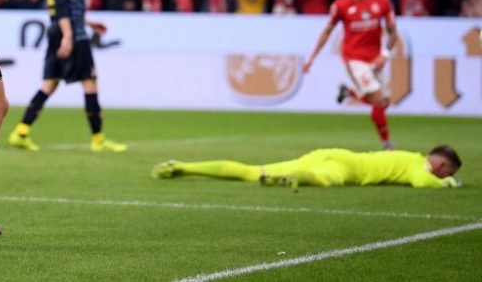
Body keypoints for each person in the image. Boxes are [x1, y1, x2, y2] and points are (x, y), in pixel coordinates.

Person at [7, 0, 127, 153]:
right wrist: (69, 36)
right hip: (70, 32)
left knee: (49, 84)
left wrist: (88, 22)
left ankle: (21, 131)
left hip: (61, 29)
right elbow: (61, 5)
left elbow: (64, 5)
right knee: (90, 82)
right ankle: (99, 140)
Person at [302, 0, 398, 149]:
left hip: (375, 58)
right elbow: (327, 31)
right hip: (354, 60)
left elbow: (393, 32)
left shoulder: (382, 1)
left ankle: (350, 93)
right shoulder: (341, 5)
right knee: (378, 99)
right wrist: (312, 58)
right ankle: (388, 145)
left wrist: (385, 54)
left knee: (383, 102)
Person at [151, 145, 463, 189]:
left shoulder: (408, 155)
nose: (445, 174)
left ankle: (185, 166)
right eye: (447, 170)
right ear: (437, 161)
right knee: (325, 180)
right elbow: (422, 182)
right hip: (347, 166)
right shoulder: (418, 166)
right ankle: (285, 178)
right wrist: (447, 185)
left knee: (249, 170)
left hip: (326, 152)